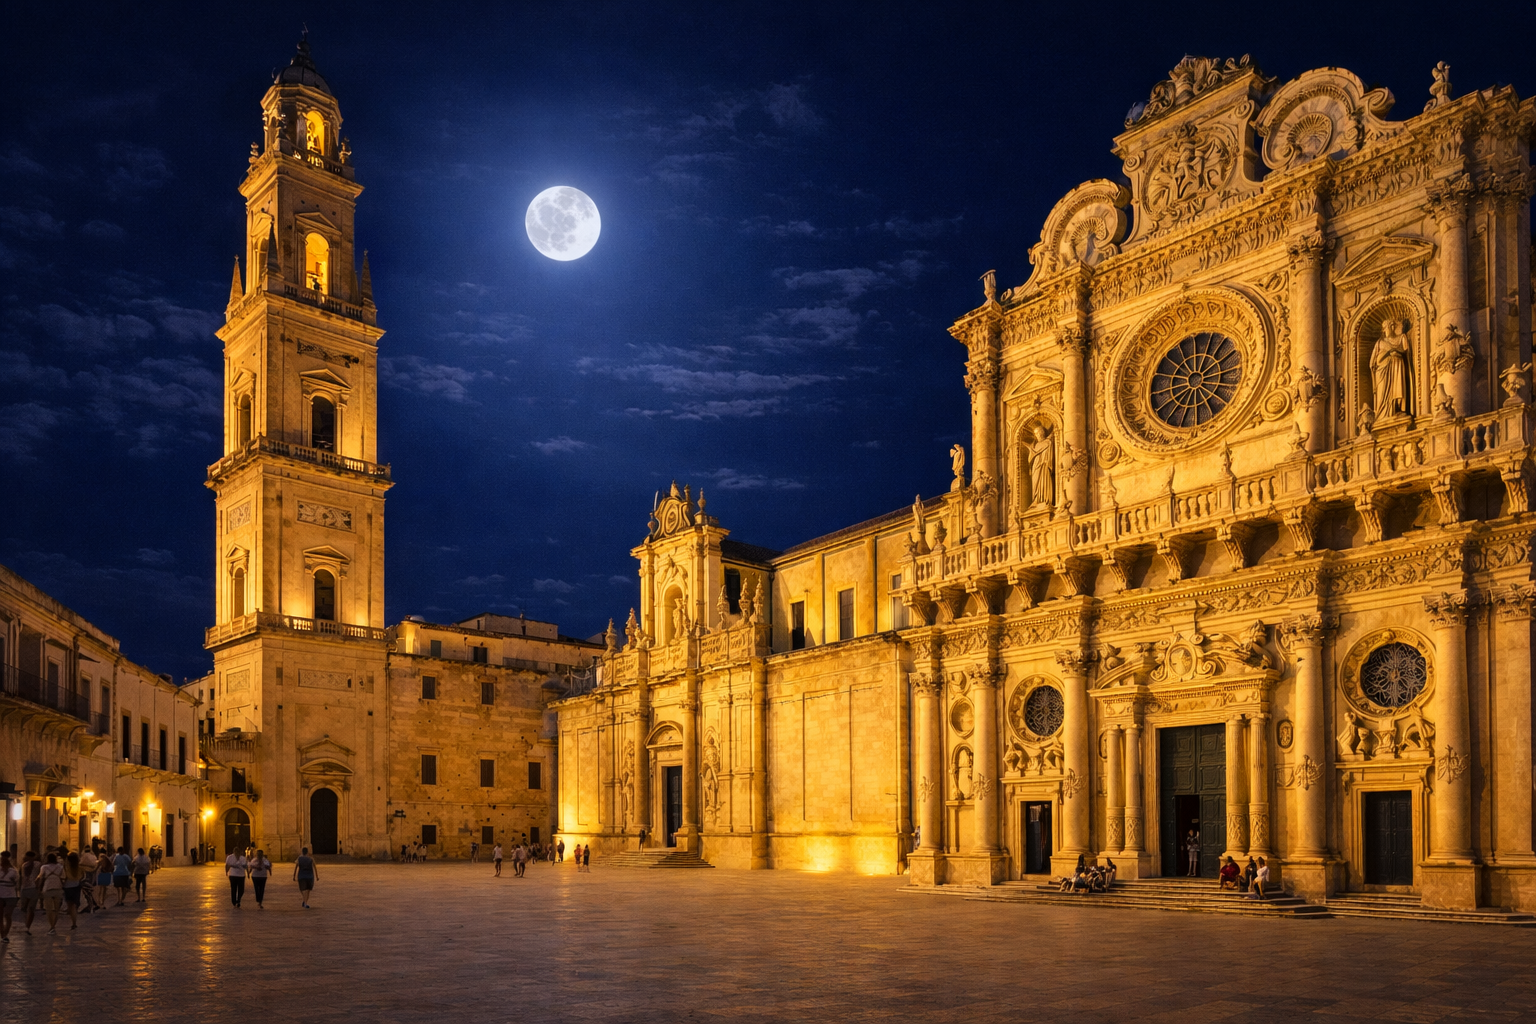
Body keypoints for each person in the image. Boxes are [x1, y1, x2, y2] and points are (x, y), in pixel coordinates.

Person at [38, 852, 65, 933]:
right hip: (58, 888)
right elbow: (63, 877)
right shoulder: (60, 867)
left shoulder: (44, 867)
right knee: (56, 910)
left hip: (47, 888)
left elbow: (41, 877)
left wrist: (39, 887)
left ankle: (52, 926)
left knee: (49, 910)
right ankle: (54, 925)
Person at [60, 852, 84, 930]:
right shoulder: (79, 868)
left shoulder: (66, 868)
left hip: (68, 887)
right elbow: (82, 876)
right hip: (76, 886)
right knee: (73, 905)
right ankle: (74, 922)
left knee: (70, 905)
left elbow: (64, 877)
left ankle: (73, 922)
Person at [19, 850, 40, 932]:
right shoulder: (38, 864)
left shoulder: (23, 865)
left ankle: (26, 924)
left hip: (24, 888)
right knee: (31, 909)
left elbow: (22, 877)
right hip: (34, 888)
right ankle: (28, 926)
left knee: (24, 908)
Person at [0, 851, 18, 942]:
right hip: (1, 894)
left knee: (7, 915)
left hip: (10, 895)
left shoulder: (13, 871)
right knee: (2, 915)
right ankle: (3, 934)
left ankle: (5, 933)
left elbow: (17, 882)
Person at [78, 846, 98, 913]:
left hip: (86, 876)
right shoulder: (93, 856)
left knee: (87, 892)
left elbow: (80, 863)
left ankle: (91, 906)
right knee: (89, 892)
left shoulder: (84, 856)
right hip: (92, 875)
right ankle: (93, 905)